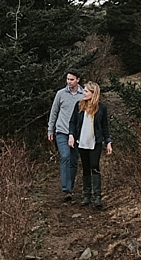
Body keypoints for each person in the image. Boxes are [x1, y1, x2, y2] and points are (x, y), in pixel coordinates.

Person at [67, 81, 112, 208]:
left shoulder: (101, 108)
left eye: (86, 91)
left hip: (95, 142)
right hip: (81, 141)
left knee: (94, 165)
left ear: (93, 93)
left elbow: (104, 126)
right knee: (85, 167)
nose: (83, 93)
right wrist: (71, 135)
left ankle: (97, 196)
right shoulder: (79, 106)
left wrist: (108, 141)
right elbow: (72, 122)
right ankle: (87, 195)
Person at [47, 70, 83, 201]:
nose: (69, 82)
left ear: (78, 80)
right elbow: (54, 112)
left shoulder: (83, 95)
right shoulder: (60, 94)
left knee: (74, 160)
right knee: (65, 156)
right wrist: (50, 129)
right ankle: (66, 188)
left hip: (77, 133)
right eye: (67, 79)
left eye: (72, 79)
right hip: (61, 131)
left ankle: (70, 187)